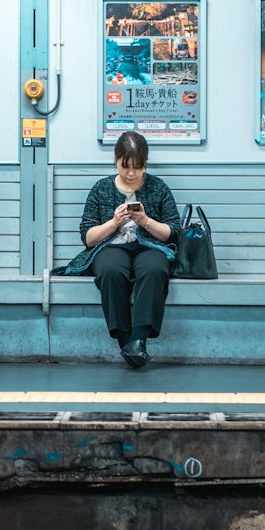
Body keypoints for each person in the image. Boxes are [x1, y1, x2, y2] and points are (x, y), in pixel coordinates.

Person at [62, 130, 180, 369]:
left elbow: (172, 231)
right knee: (110, 271)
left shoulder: (158, 188)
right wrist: (114, 223)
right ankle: (125, 339)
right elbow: (88, 237)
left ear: (145, 164)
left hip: (149, 245)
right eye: (125, 165)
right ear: (115, 161)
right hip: (111, 246)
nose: (130, 173)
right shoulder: (101, 188)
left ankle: (139, 338)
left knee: (155, 268)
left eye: (137, 167)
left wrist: (144, 221)